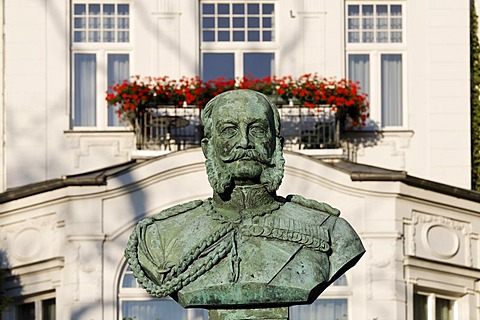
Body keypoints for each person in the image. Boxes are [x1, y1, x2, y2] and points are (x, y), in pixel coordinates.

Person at [125, 89, 365, 308]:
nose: (244, 142)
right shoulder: (160, 237)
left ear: (276, 145)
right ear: (208, 148)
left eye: (258, 129)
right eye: (229, 130)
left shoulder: (331, 231)